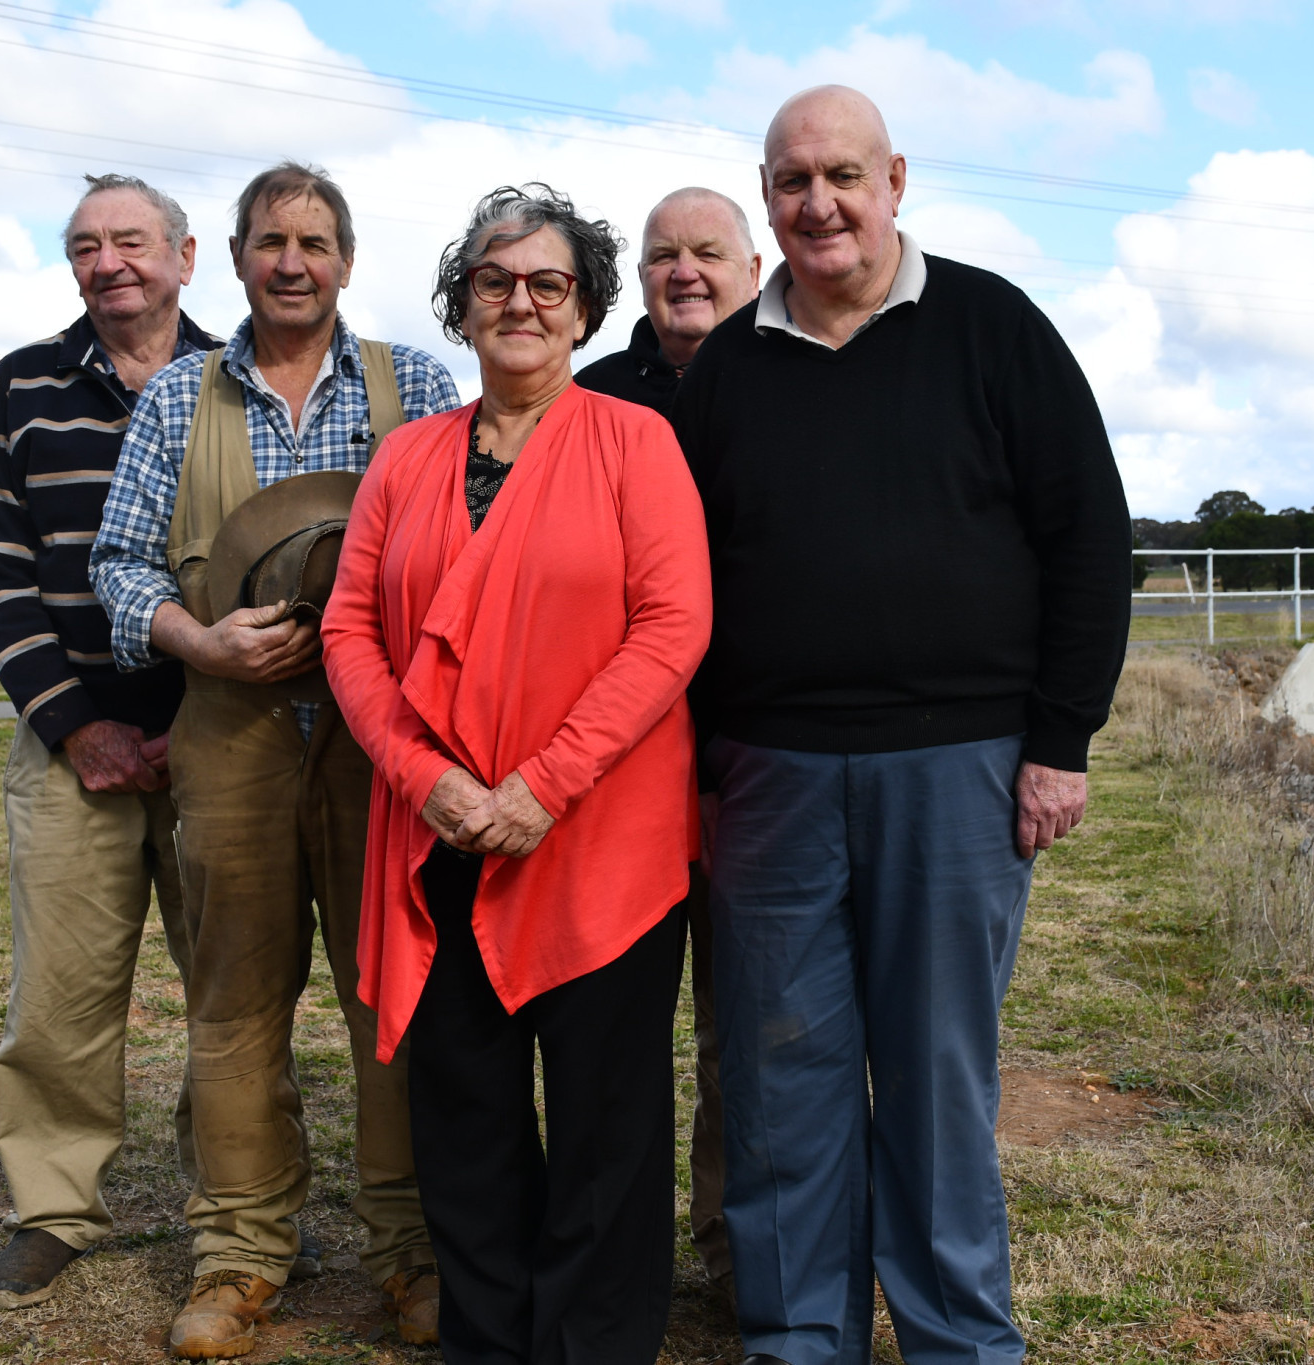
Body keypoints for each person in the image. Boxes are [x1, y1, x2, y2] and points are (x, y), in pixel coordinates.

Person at [672, 87, 1132, 1365]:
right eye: (790, 180)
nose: (817, 202)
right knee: (782, 1078)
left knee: (935, 1080)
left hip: (959, 770)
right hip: (768, 777)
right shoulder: (726, 377)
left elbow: (1088, 542)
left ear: (895, 181)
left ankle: (954, 1339)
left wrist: (1059, 742)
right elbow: (676, 580)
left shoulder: (992, 327)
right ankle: (796, 1336)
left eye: (842, 175)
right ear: (765, 196)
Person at [319, 182, 711, 1365]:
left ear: (584, 308)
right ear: (463, 305)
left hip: (596, 840)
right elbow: (348, 630)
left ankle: (592, 1341)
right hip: (437, 830)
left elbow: (672, 624)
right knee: (467, 1118)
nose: (520, 302)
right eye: (494, 282)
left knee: (606, 1126)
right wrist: (417, 774)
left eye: (547, 283)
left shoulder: (635, 441)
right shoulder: (406, 458)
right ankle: (487, 1339)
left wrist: (545, 784)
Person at [91, 162, 460, 1360]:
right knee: (235, 1008)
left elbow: (470, 554)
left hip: (383, 744)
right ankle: (240, 1258)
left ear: (346, 260)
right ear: (236, 258)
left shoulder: (422, 387)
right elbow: (118, 563)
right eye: (269, 241)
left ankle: (413, 1252)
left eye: (312, 241)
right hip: (229, 736)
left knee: (392, 1002)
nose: (290, 261)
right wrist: (199, 638)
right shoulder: (176, 398)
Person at [0, 173, 221, 1313]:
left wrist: (197, 721)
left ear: (185, 253)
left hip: (223, 738)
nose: (108, 262)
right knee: (61, 995)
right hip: (73, 738)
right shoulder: (18, 384)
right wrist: (73, 725)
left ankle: (236, 1211)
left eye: (130, 240)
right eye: (84, 246)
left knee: (232, 992)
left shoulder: (238, 379)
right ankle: (53, 1209)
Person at [572, 184, 760, 1296]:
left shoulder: (793, 385)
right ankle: (616, 1258)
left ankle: (740, 1251)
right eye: (659, 257)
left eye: (706, 254)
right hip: (616, 766)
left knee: (748, 1029)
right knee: (614, 1032)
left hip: (753, 761)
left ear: (750, 267)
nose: (682, 272)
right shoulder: (588, 401)